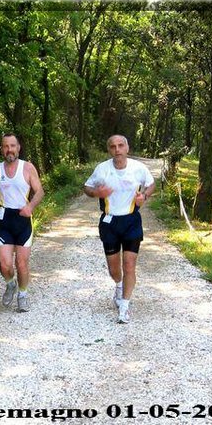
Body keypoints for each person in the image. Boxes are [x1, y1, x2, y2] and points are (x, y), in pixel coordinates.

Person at [84, 134, 155, 324]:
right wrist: (97, 193)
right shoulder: (102, 169)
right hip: (110, 222)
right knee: (114, 269)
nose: (117, 150)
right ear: (109, 150)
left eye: (121, 145)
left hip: (131, 221)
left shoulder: (138, 168)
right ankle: (118, 284)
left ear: (127, 148)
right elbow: (87, 187)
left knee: (129, 265)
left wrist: (144, 196)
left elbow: (151, 184)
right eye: (113, 146)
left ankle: (124, 305)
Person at [0, 133, 44, 312]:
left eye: (12, 146)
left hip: (23, 219)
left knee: (21, 263)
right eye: (6, 146)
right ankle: (10, 284)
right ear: (1, 149)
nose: (9, 149)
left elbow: (40, 191)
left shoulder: (27, 167)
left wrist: (30, 206)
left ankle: (23, 295)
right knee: (4, 265)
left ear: (18, 147)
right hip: (5, 219)